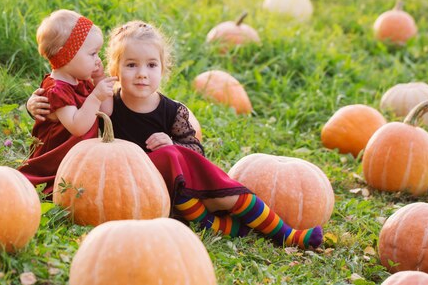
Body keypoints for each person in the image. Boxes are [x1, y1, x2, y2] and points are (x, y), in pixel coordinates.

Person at [27, 20, 323, 249]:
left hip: (170, 189)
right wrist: (34, 104)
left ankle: (285, 234)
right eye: (131, 65)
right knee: (171, 159)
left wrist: (172, 142)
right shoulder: (109, 102)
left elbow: (194, 149)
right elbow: (67, 103)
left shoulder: (172, 112)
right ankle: (241, 226)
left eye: (151, 65)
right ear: (115, 70)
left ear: (162, 69)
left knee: (177, 156)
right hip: (135, 188)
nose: (142, 73)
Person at [19, 9, 117, 195]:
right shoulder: (57, 90)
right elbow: (77, 126)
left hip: (77, 159)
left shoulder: (79, 81)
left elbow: (106, 111)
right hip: (56, 162)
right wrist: (95, 96)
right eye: (92, 54)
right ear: (66, 56)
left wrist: (98, 80)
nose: (97, 60)